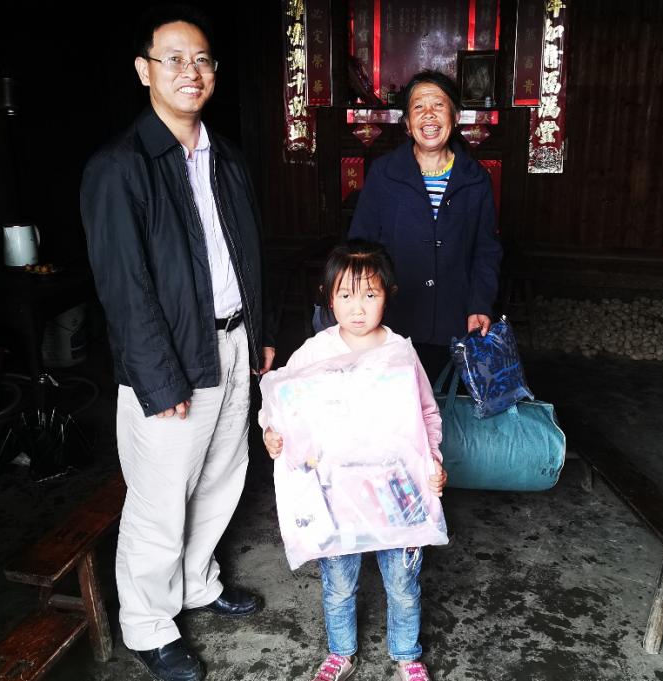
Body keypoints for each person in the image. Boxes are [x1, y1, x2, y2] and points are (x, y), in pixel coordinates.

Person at [79, 5, 274, 681]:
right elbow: (124, 288)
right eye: (174, 59)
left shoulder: (226, 158)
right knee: (160, 498)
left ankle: (197, 583)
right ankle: (148, 624)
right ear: (145, 71)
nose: (191, 72)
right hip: (171, 361)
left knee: (222, 476)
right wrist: (159, 379)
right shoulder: (120, 167)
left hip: (233, 343)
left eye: (202, 60)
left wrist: (259, 336)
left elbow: (247, 257)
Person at [261, 239, 448, 681]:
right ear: (329, 299)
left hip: (396, 488)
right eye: (345, 295)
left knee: (402, 582)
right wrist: (271, 431)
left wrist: (434, 462)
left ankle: (407, 654)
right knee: (339, 581)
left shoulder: (400, 352)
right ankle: (340, 652)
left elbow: (427, 413)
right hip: (335, 493)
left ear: (388, 294)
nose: (357, 307)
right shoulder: (314, 352)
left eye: (370, 294)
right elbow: (280, 401)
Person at [349, 70, 503, 381]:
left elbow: (486, 250)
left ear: (455, 117)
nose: (428, 114)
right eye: (418, 107)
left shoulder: (475, 179)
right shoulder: (384, 174)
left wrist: (479, 304)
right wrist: (360, 308)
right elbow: (359, 246)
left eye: (439, 105)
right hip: (393, 321)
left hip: (456, 320)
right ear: (407, 123)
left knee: (446, 404)